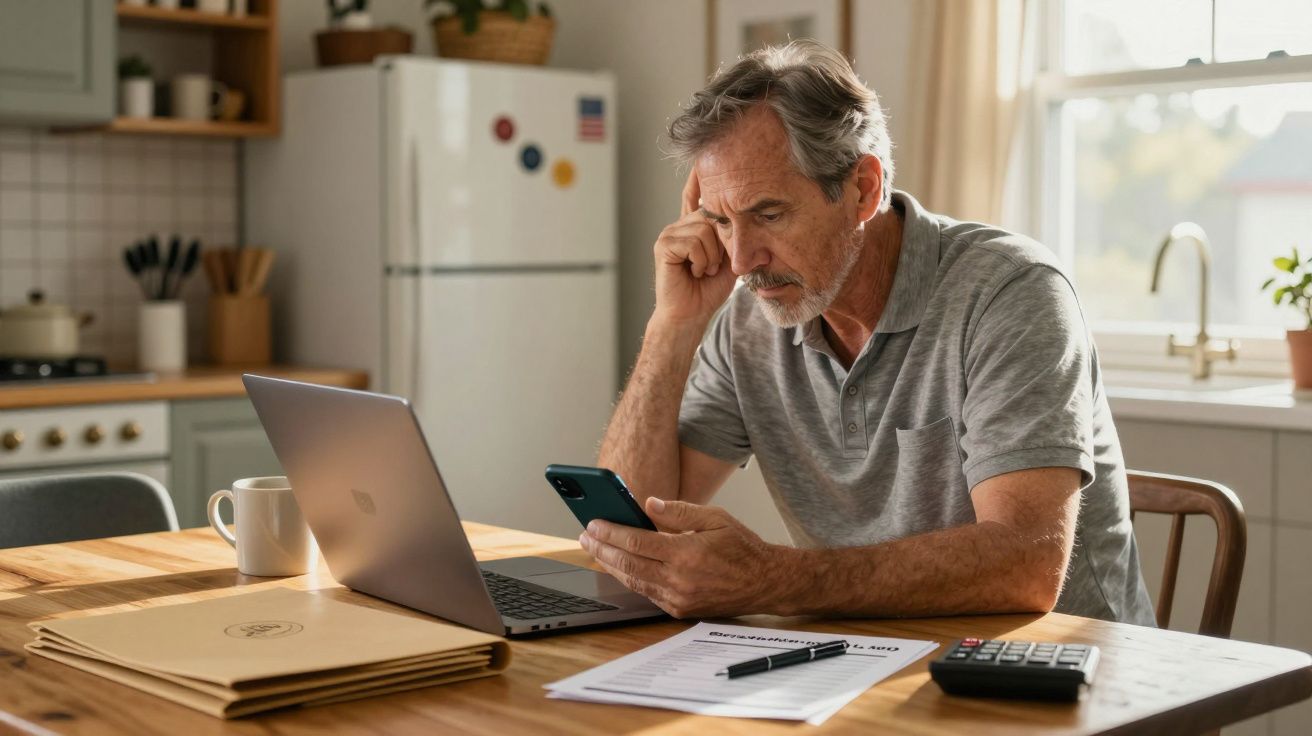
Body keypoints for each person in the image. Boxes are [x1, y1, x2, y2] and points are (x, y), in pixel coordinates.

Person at [579, 39, 1155, 626]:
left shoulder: (1011, 293)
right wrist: (671, 326)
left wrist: (768, 578)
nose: (743, 258)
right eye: (722, 221)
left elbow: (1028, 564)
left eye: (769, 214)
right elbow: (631, 536)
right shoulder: (752, 316)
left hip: (1060, 677)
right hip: (867, 657)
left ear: (863, 189)